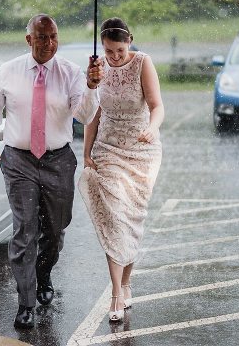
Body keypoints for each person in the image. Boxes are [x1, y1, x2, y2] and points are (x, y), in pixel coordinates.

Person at [0, 14, 104, 330]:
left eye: (53, 37)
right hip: (18, 160)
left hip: (58, 159)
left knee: (57, 228)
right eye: (42, 37)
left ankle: (44, 270)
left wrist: (90, 86)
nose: (48, 43)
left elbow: (85, 115)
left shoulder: (72, 73)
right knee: (24, 228)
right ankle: (26, 302)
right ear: (28, 39)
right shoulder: (7, 72)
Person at [78, 17, 164, 323]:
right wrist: (86, 152)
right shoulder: (98, 67)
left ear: (129, 41)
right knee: (114, 217)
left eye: (119, 50)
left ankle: (127, 282)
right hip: (109, 149)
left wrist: (152, 129)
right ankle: (116, 291)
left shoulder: (142, 63)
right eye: (109, 50)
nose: (114, 57)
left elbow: (157, 106)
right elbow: (93, 115)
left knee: (131, 220)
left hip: (142, 151)